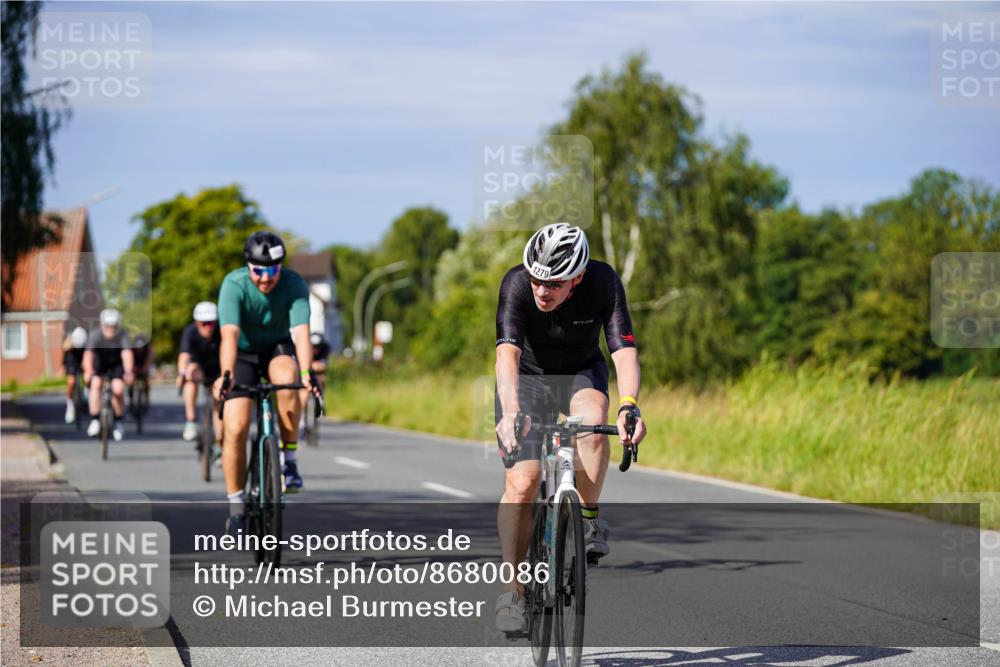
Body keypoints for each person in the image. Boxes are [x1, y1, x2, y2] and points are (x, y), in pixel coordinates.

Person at [493, 222, 647, 633]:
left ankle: (589, 517)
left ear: (577, 278)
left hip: (581, 372)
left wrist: (630, 405)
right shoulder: (516, 285)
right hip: (527, 380)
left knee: (594, 424)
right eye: (537, 280)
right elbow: (506, 356)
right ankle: (513, 590)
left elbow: (624, 351)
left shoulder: (603, 282)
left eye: (555, 284)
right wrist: (510, 411)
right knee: (522, 483)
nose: (542, 291)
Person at [215, 231, 319, 536]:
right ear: (248, 267)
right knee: (235, 427)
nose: (264, 279)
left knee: (288, 380)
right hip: (243, 353)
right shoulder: (234, 286)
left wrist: (307, 374)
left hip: (276, 348)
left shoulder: (294, 285)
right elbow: (230, 335)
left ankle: (288, 460)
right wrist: (226, 374)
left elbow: (301, 333)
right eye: (258, 271)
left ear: (281, 268)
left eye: (272, 271)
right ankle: (236, 508)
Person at [82, 308, 134, 442]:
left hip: (116, 365)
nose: (111, 328)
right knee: (96, 384)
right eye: (107, 325)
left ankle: (118, 422)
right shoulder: (95, 334)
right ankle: (95, 420)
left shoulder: (123, 335)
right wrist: (88, 370)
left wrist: (128, 371)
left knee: (118, 389)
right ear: (102, 324)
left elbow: (127, 354)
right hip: (99, 364)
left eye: (114, 325)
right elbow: (88, 355)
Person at [176, 301, 223, 444]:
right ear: (197, 322)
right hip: (199, 368)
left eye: (211, 323)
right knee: (191, 374)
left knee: (218, 402)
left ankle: (219, 443)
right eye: (204, 323)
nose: (208, 327)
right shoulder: (190, 332)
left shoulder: (221, 331)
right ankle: (191, 421)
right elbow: (184, 355)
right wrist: (182, 373)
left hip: (218, 369)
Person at [298, 331, 330, 438]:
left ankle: (321, 399)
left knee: (321, 378)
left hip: (317, 371)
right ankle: (301, 417)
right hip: (305, 370)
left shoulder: (325, 348)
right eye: (313, 347)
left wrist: (317, 366)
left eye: (318, 347)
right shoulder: (305, 347)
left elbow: (323, 365)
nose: (316, 350)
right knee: (304, 391)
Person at [62, 326, 88, 424]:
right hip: (72, 357)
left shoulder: (87, 341)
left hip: (83, 356)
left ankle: (86, 392)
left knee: (87, 375)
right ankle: (70, 405)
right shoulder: (69, 342)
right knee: (71, 381)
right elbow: (65, 351)